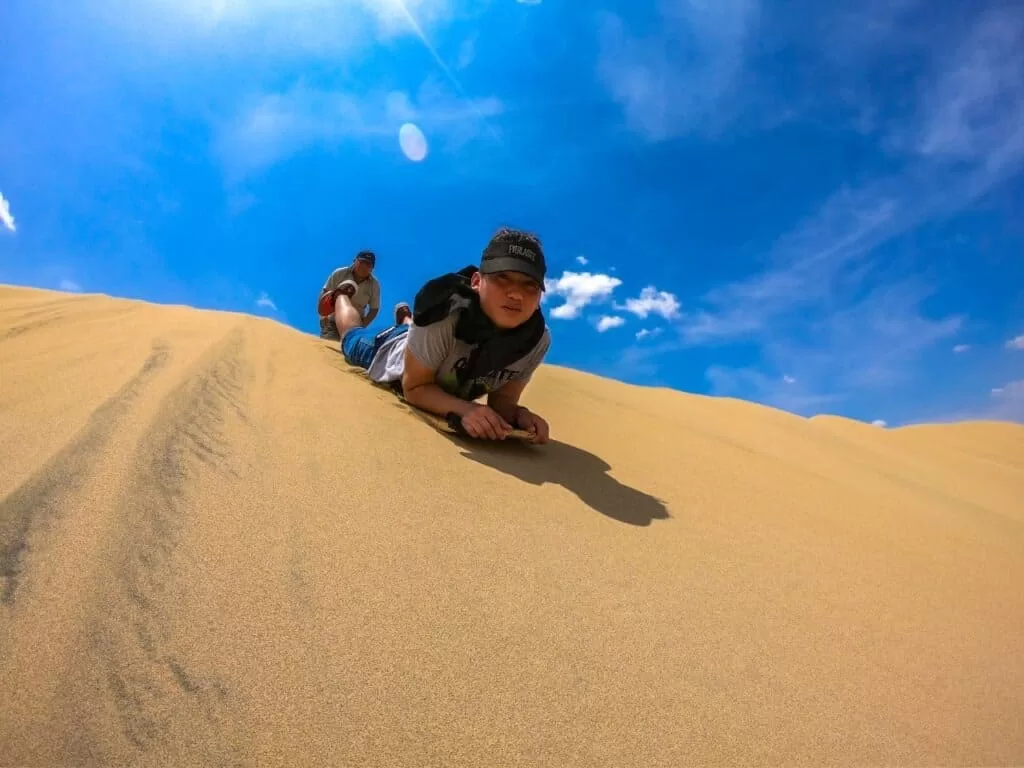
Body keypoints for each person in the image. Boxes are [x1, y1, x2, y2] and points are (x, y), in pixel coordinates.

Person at [336, 227, 551, 443]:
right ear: (476, 282)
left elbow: (503, 400)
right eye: (503, 277)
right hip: (388, 349)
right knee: (351, 336)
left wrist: (520, 415)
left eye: (530, 284)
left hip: (425, 343)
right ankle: (341, 296)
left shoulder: (535, 340)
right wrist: (465, 409)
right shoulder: (443, 314)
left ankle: (407, 319)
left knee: (418, 335)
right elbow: (415, 388)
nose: (516, 294)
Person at [317, 250, 381, 341]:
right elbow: (325, 292)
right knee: (329, 346)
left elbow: (374, 309)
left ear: (372, 268)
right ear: (354, 261)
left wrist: (363, 326)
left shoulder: (374, 285)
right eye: (361, 262)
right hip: (333, 322)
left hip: (354, 327)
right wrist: (323, 317)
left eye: (368, 265)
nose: (364, 267)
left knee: (350, 350)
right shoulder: (340, 273)